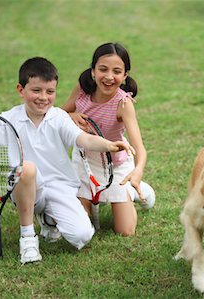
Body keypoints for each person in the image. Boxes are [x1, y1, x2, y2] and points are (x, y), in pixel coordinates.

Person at [0, 57, 134, 264]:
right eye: (36, 91)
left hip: (59, 187)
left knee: (82, 235)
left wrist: (109, 145)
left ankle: (49, 218)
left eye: (50, 92)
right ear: (21, 90)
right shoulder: (9, 119)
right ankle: (28, 238)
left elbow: (84, 139)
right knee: (27, 168)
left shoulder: (60, 118)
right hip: (25, 186)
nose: (43, 98)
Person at [63, 42, 155, 236]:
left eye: (117, 71)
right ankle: (92, 198)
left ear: (124, 76)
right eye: (103, 69)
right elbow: (59, 114)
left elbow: (139, 147)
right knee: (80, 221)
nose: (109, 77)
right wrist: (71, 116)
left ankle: (136, 190)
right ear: (93, 71)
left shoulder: (123, 103)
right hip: (84, 162)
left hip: (116, 166)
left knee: (125, 231)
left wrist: (137, 171)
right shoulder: (82, 90)